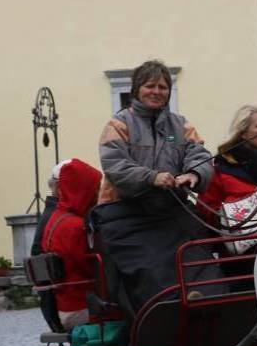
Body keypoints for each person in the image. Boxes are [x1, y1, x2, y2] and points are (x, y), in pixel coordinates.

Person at [91, 60, 215, 311]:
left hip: (171, 210)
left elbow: (199, 153)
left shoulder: (181, 126)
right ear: (137, 89)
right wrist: (151, 177)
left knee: (199, 258)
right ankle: (168, 312)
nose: (157, 91)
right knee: (152, 266)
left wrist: (193, 174)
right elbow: (115, 166)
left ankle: (210, 304)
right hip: (125, 214)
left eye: (163, 87)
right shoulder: (118, 125)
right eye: (150, 86)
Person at [40, 159, 102, 329]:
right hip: (79, 307)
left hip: (66, 303)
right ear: (81, 190)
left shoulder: (56, 219)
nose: (97, 194)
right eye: (93, 188)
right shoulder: (74, 226)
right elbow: (91, 266)